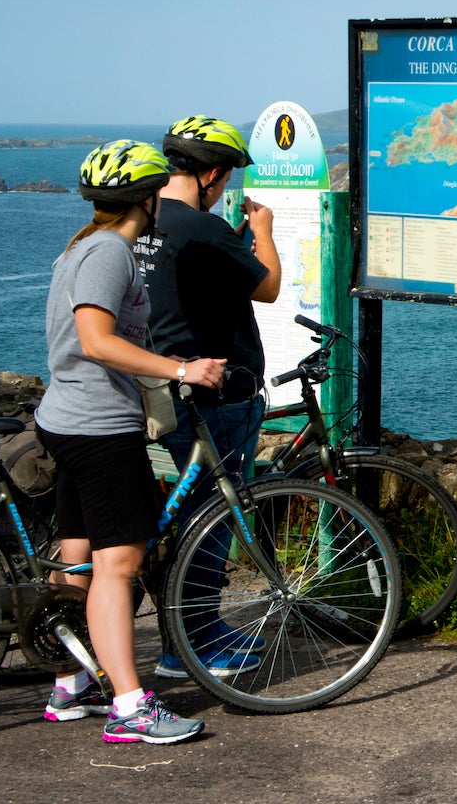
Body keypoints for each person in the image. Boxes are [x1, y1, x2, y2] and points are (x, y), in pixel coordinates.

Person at [35, 140, 224, 744]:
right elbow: (94, 339)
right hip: (98, 427)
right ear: (146, 198)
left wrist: (157, 360)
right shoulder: (111, 253)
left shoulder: (81, 247)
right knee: (120, 567)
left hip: (66, 419)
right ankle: (130, 706)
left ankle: (73, 684)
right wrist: (179, 371)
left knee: (79, 559)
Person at [135, 114, 279, 679]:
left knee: (190, 517)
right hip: (218, 395)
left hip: (162, 389)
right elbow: (266, 287)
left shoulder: (143, 220)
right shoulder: (203, 228)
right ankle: (188, 647)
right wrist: (262, 228)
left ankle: (198, 631)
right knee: (212, 521)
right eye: (225, 181)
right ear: (212, 174)